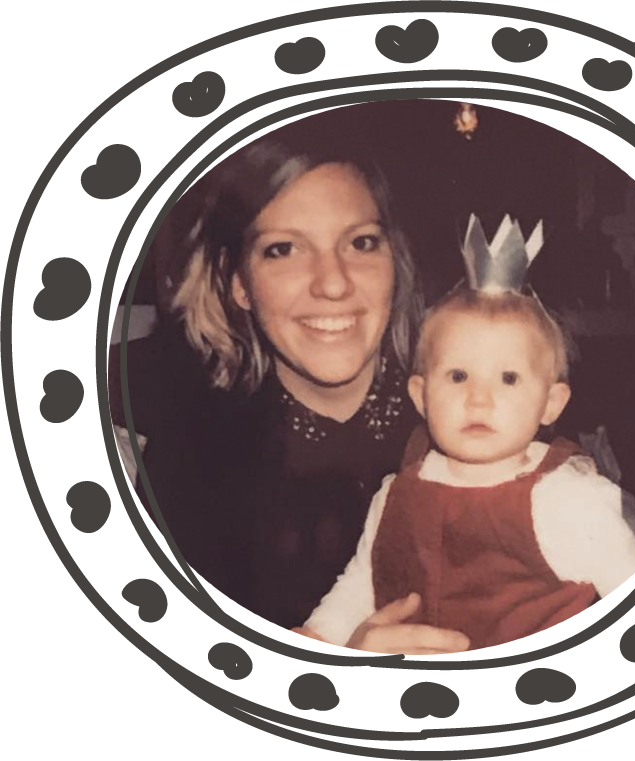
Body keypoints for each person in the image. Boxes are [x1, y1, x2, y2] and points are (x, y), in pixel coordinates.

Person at [110, 120, 468, 653]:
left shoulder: (482, 406)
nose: (333, 283)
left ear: (395, 261)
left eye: (361, 243)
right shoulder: (193, 467)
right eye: (283, 249)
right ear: (239, 284)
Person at [303, 219, 635, 652]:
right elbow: (360, 586)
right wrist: (316, 637)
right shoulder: (394, 494)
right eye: (458, 376)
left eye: (508, 378)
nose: (478, 399)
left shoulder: (567, 499)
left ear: (550, 403)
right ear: (421, 396)